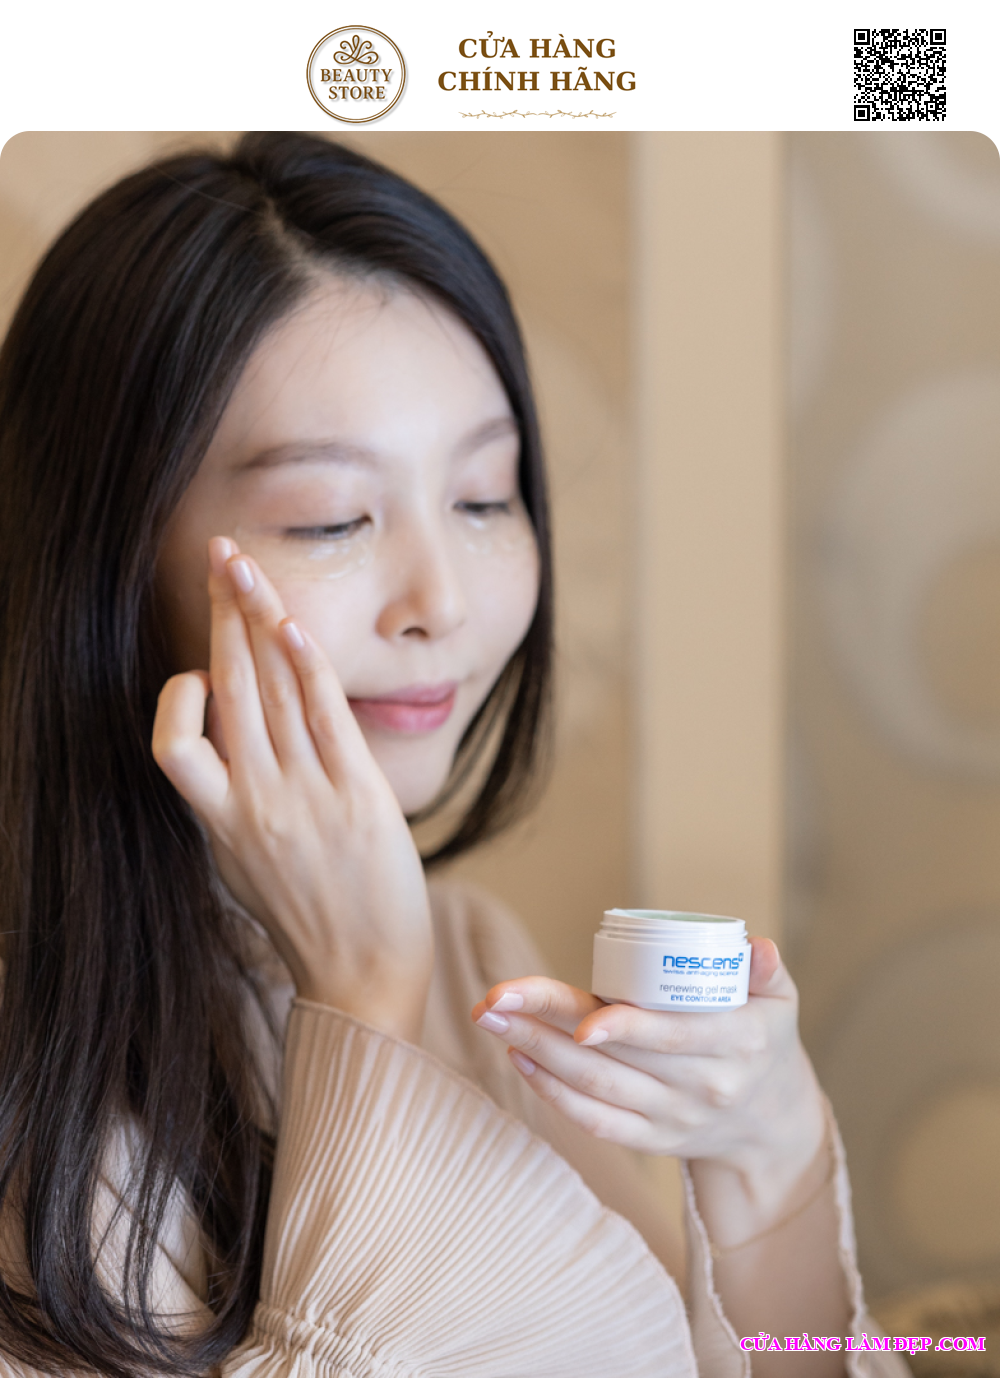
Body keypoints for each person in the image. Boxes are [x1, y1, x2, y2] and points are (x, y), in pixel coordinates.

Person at [0, 131, 901, 1377]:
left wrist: (767, 1159)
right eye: (332, 518)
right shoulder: (37, 1075)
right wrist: (361, 997)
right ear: (103, 562)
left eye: (484, 497)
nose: (447, 600)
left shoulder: (471, 955)